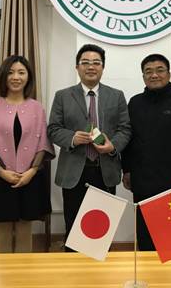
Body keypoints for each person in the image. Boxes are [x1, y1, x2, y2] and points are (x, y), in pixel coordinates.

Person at [47, 44, 131, 251]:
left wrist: (112, 146)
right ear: (77, 67)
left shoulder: (116, 95)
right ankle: (74, 268)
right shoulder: (63, 95)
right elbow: (53, 129)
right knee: (74, 228)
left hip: (105, 170)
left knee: (101, 229)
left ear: (103, 67)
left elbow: (125, 129)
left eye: (96, 63)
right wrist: (72, 138)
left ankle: (99, 269)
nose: (91, 67)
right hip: (74, 172)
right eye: (85, 62)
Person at [0, 55, 54, 253]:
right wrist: (1, 171)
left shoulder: (37, 108)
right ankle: (2, 272)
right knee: (2, 230)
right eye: (11, 72)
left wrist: (32, 171)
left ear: (28, 77)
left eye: (21, 72)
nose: (16, 77)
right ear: (3, 76)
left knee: (25, 229)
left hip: (29, 177)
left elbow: (43, 143)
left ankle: (24, 272)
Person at [122, 54, 171, 250]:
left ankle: (170, 270)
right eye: (148, 72)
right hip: (141, 182)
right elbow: (128, 140)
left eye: (159, 70)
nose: (154, 75)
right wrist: (127, 170)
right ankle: (146, 267)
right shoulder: (135, 103)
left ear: (169, 74)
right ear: (143, 77)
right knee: (145, 237)